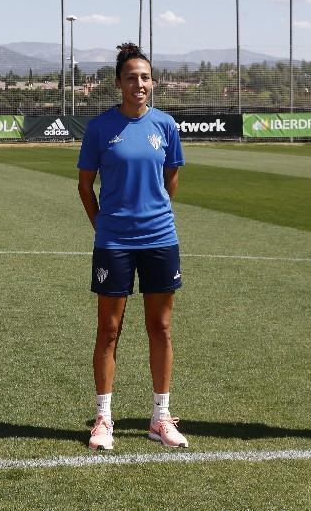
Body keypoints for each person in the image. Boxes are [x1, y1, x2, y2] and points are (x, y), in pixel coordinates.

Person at [77, 42, 188, 450]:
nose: (138, 84)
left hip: (160, 238)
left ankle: (160, 418)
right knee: (109, 330)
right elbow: (85, 186)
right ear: (118, 83)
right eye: (130, 77)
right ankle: (103, 420)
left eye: (144, 77)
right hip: (114, 242)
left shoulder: (166, 126)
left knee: (160, 328)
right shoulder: (100, 128)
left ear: (152, 82)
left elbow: (170, 179)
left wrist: (153, 212)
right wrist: (103, 226)